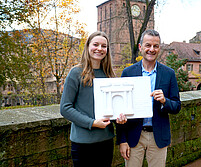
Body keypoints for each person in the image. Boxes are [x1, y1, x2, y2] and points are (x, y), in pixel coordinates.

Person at [60, 31, 127, 167]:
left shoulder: (109, 75)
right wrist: (92, 123)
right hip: (82, 143)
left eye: (104, 46)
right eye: (95, 45)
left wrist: (119, 118)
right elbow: (65, 108)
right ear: (88, 47)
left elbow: (112, 109)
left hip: (106, 141)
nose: (99, 49)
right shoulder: (76, 73)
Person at [116, 29, 181, 167]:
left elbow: (177, 106)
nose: (151, 49)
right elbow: (120, 110)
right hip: (134, 137)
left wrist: (164, 101)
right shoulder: (128, 73)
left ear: (159, 48)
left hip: (158, 136)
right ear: (141, 47)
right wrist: (122, 140)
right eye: (148, 45)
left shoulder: (169, 73)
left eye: (155, 46)